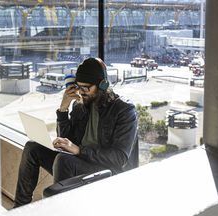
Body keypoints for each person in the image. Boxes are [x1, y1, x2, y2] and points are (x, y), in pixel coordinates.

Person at [14, 57, 138, 207]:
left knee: (63, 161)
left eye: (86, 87)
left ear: (102, 85)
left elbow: (120, 159)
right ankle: (19, 208)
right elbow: (67, 139)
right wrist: (63, 109)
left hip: (109, 172)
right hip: (80, 161)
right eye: (79, 86)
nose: (81, 92)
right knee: (32, 147)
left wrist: (79, 150)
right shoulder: (81, 105)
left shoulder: (124, 110)